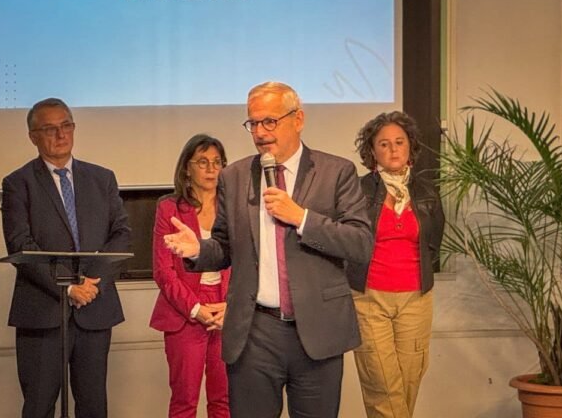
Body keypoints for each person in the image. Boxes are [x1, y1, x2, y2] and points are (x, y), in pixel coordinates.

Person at [164, 81, 372, 418]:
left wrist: (302, 218)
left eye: (270, 121)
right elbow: (224, 248)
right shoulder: (234, 177)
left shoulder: (337, 172)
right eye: (253, 123)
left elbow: (360, 243)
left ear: (298, 119)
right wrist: (196, 251)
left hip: (318, 331)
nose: (260, 132)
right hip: (255, 333)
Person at [1, 98, 131, 418]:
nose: (61, 135)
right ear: (32, 136)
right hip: (43, 311)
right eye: (50, 129)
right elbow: (22, 246)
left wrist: (91, 284)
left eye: (67, 125)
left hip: (95, 308)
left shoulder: (102, 179)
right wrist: (70, 286)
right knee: (39, 405)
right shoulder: (18, 184)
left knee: (93, 405)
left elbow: (121, 235)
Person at [348, 111, 444, 417]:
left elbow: (434, 243)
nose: (393, 150)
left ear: (410, 147)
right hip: (369, 298)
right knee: (382, 386)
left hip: (416, 298)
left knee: (407, 383)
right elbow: (347, 241)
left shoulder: (427, 192)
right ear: (372, 151)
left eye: (399, 142)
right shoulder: (357, 191)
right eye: (384, 144)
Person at [150, 134, 230, 418]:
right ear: (187, 168)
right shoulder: (169, 208)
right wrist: (195, 309)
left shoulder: (234, 207)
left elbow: (248, 263)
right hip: (184, 309)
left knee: (224, 400)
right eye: (203, 162)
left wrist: (231, 307)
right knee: (185, 400)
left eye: (217, 162)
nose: (211, 169)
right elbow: (164, 272)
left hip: (226, 308)